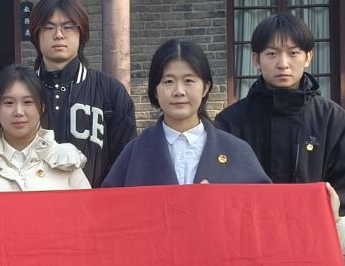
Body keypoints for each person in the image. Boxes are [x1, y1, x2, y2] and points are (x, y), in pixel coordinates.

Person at [215, 13, 345, 218]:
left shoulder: (333, 119)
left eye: (293, 53)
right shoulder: (230, 122)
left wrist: (331, 227)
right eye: (272, 54)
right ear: (256, 59)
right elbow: (221, 186)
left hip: (314, 230)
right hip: (250, 232)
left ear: (308, 57)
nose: (283, 64)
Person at [103, 39, 269, 187]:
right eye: (169, 81)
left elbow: (260, 205)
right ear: (155, 90)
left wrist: (220, 200)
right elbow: (111, 206)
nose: (179, 91)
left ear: (205, 88)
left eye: (188, 81)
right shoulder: (134, 153)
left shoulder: (236, 150)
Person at [29, 0, 136, 188]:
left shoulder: (110, 91)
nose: (59, 34)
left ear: (82, 32)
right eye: (49, 27)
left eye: (68, 26)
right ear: (36, 34)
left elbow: (126, 161)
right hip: (30, 204)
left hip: (94, 203)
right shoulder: (19, 92)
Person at [0, 67, 90, 192]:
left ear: (42, 107)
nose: (18, 112)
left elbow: (87, 212)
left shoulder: (65, 161)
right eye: (9, 103)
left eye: (28, 102)